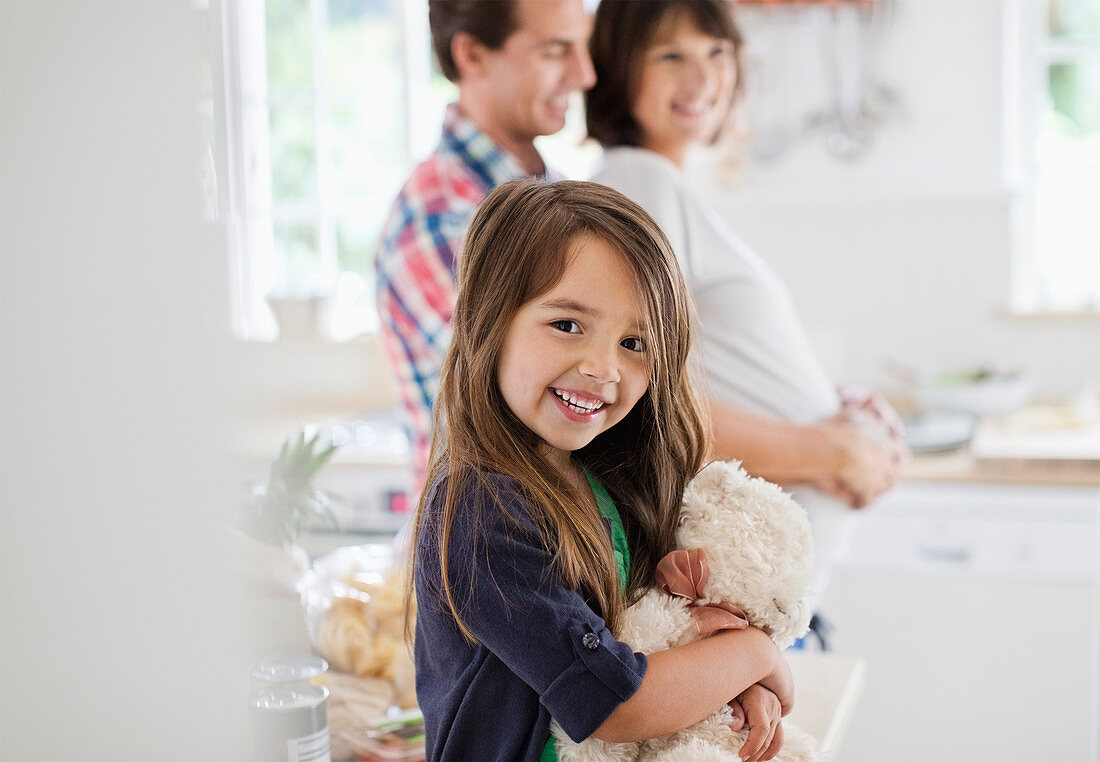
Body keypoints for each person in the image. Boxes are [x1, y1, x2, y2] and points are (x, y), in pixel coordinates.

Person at [411, 179, 793, 762]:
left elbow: (650, 642)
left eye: (635, 342)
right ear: (490, 321)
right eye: (567, 325)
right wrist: (756, 657)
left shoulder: (606, 478)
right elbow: (614, 702)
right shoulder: (481, 511)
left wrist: (734, 688)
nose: (602, 367)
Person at [585, 0, 907, 612]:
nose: (703, 79)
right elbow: (636, 407)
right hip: (734, 609)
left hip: (759, 602)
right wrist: (833, 453)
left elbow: (707, 366)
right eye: (671, 55)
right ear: (620, 69)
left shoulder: (662, 185)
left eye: (717, 52)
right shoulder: (639, 184)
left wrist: (837, 408)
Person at [375, 0, 596, 496]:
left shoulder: (555, 192)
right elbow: (518, 406)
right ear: (473, 55)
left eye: (584, 46)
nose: (585, 75)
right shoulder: (440, 220)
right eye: (556, 51)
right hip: (485, 550)